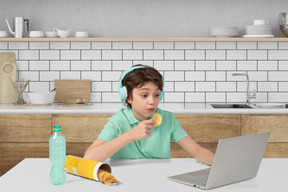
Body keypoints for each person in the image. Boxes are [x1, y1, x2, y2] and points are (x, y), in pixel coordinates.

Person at [84, 64, 214, 165]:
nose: (152, 101)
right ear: (128, 97)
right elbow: (89, 158)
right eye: (144, 95)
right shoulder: (118, 121)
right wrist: (130, 135)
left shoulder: (168, 119)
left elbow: (197, 151)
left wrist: (219, 165)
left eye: (156, 95)